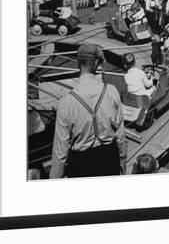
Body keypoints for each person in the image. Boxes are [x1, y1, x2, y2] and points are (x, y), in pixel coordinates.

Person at [49, 44, 127, 178]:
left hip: (81, 165)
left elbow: (60, 152)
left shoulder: (65, 103)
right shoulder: (111, 91)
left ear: (78, 64)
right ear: (96, 63)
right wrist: (123, 162)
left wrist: (54, 178)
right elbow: (120, 135)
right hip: (109, 159)